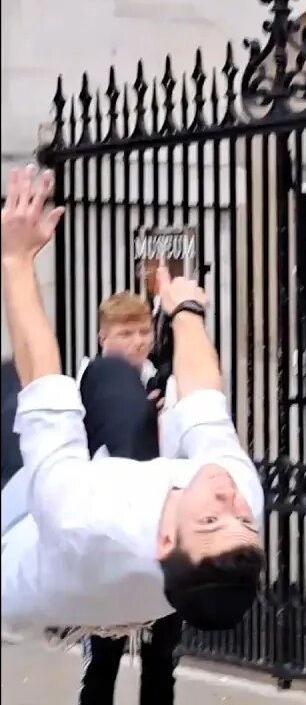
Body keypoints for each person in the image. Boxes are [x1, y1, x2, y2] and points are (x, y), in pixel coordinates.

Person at [0, 164, 266, 646]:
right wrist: (183, 305)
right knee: (112, 375)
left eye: (210, 518)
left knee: (12, 392)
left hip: (15, 530)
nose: (229, 498)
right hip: (106, 544)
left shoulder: (85, 519)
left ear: (164, 541)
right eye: (243, 519)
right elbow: (207, 400)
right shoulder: (238, 506)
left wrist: (17, 259)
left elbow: (43, 386)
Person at [75, 292, 182, 705]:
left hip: (160, 536)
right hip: (111, 540)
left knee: (161, 661)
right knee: (103, 662)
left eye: (143, 331)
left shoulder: (163, 383)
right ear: (103, 336)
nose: (138, 341)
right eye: (125, 333)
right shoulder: (89, 385)